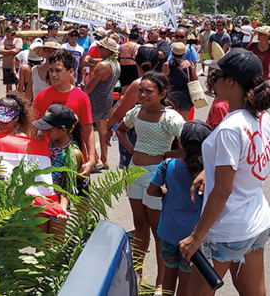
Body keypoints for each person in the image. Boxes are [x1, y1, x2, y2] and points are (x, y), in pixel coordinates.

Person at [179, 49, 270, 296]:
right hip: (256, 221)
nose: (212, 80)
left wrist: (196, 236)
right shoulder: (262, 117)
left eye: (216, 75)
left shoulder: (230, 128)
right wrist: (211, 170)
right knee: (254, 292)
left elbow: (223, 190)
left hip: (227, 228)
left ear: (230, 82)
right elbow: (247, 162)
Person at [115, 71, 185, 293]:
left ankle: (161, 283)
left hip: (157, 177)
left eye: (149, 91)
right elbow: (121, 130)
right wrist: (133, 150)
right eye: (140, 90)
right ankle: (137, 274)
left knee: (158, 231)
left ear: (162, 93)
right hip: (134, 173)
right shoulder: (136, 112)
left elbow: (189, 147)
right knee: (140, 226)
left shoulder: (171, 118)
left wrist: (166, 157)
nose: (143, 95)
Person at [147, 120, 213, 296]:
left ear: (180, 142)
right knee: (186, 279)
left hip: (168, 232)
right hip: (192, 236)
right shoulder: (208, 173)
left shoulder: (167, 164)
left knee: (168, 276)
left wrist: (166, 191)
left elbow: (152, 190)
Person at [32, 49, 97, 175]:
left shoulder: (81, 97)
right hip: (47, 159)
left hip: (74, 160)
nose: (53, 74)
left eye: (58, 70)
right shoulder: (41, 96)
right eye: (51, 70)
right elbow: (32, 127)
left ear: (71, 71)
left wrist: (92, 159)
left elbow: (88, 130)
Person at [104, 45, 160, 170]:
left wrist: (108, 127)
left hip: (136, 132)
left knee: (132, 174)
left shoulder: (139, 84)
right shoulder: (162, 81)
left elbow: (120, 112)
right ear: (157, 63)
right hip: (158, 132)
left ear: (136, 61)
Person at [32, 104, 84, 223]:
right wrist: (38, 142)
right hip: (42, 198)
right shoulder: (47, 143)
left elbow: (68, 185)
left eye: (49, 129)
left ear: (63, 130)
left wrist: (62, 207)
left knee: (56, 240)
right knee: (42, 239)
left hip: (59, 202)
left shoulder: (73, 153)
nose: (46, 132)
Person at [83, 37, 121, 170]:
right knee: (102, 128)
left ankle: (97, 159)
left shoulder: (103, 65)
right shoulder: (116, 64)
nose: (98, 49)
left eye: (101, 47)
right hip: (108, 98)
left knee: (87, 128)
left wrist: (82, 94)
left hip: (96, 99)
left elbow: (90, 87)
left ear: (107, 50)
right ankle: (105, 160)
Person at [162, 43, 197, 120]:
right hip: (186, 95)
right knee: (184, 122)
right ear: (184, 53)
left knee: (170, 120)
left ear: (172, 52)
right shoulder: (189, 64)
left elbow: (162, 80)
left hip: (171, 95)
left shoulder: (167, 65)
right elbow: (195, 78)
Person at [118, 27, 141, 92]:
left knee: (125, 91)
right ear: (138, 38)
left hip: (122, 68)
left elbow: (119, 57)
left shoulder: (122, 46)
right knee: (133, 90)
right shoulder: (138, 46)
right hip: (133, 69)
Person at [0, 27, 21, 93]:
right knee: (8, 84)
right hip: (6, 65)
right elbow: (1, 51)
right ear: (6, 33)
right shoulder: (4, 41)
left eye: (12, 31)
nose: (10, 33)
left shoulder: (18, 39)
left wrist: (6, 51)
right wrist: (12, 50)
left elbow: (17, 51)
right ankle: (9, 97)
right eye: (9, 31)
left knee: (18, 83)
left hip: (17, 65)